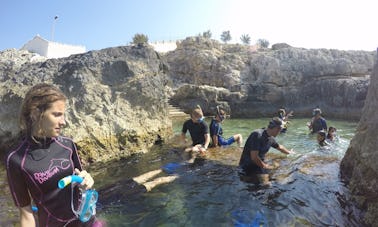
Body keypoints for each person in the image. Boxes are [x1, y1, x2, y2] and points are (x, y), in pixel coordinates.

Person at [5, 83, 104, 227]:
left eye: (63, 115)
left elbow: (82, 182)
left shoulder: (68, 145)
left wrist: (87, 180)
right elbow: (26, 212)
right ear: (36, 113)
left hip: (88, 222)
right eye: (57, 114)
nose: (63, 122)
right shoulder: (16, 159)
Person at [239, 117, 294, 186]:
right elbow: (254, 157)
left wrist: (289, 152)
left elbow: (279, 147)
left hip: (259, 165)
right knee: (267, 185)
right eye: (280, 129)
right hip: (248, 166)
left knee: (279, 169)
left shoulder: (270, 138)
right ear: (276, 128)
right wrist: (265, 166)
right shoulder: (257, 135)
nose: (280, 132)